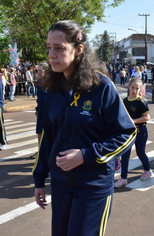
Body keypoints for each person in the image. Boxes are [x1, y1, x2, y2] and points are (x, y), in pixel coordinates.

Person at [32, 20, 136, 236]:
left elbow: (127, 133)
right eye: (49, 48)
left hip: (93, 185)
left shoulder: (102, 87)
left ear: (78, 50)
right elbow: (47, 138)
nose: (51, 54)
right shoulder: (52, 90)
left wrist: (86, 155)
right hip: (60, 184)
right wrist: (39, 179)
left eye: (59, 48)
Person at [114, 77, 152, 188]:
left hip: (140, 131)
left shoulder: (141, 102)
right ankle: (123, 178)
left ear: (140, 89)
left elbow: (147, 117)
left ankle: (147, 170)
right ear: (129, 87)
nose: (134, 90)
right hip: (128, 132)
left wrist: (134, 121)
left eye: (137, 88)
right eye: (132, 87)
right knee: (125, 155)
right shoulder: (125, 101)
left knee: (140, 153)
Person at [31, 62, 49, 159]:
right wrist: (37, 108)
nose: (38, 72)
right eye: (37, 70)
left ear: (46, 71)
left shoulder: (51, 83)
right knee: (39, 132)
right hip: (41, 112)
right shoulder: (39, 82)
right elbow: (39, 97)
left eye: (40, 71)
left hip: (49, 112)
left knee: (49, 133)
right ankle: (40, 152)